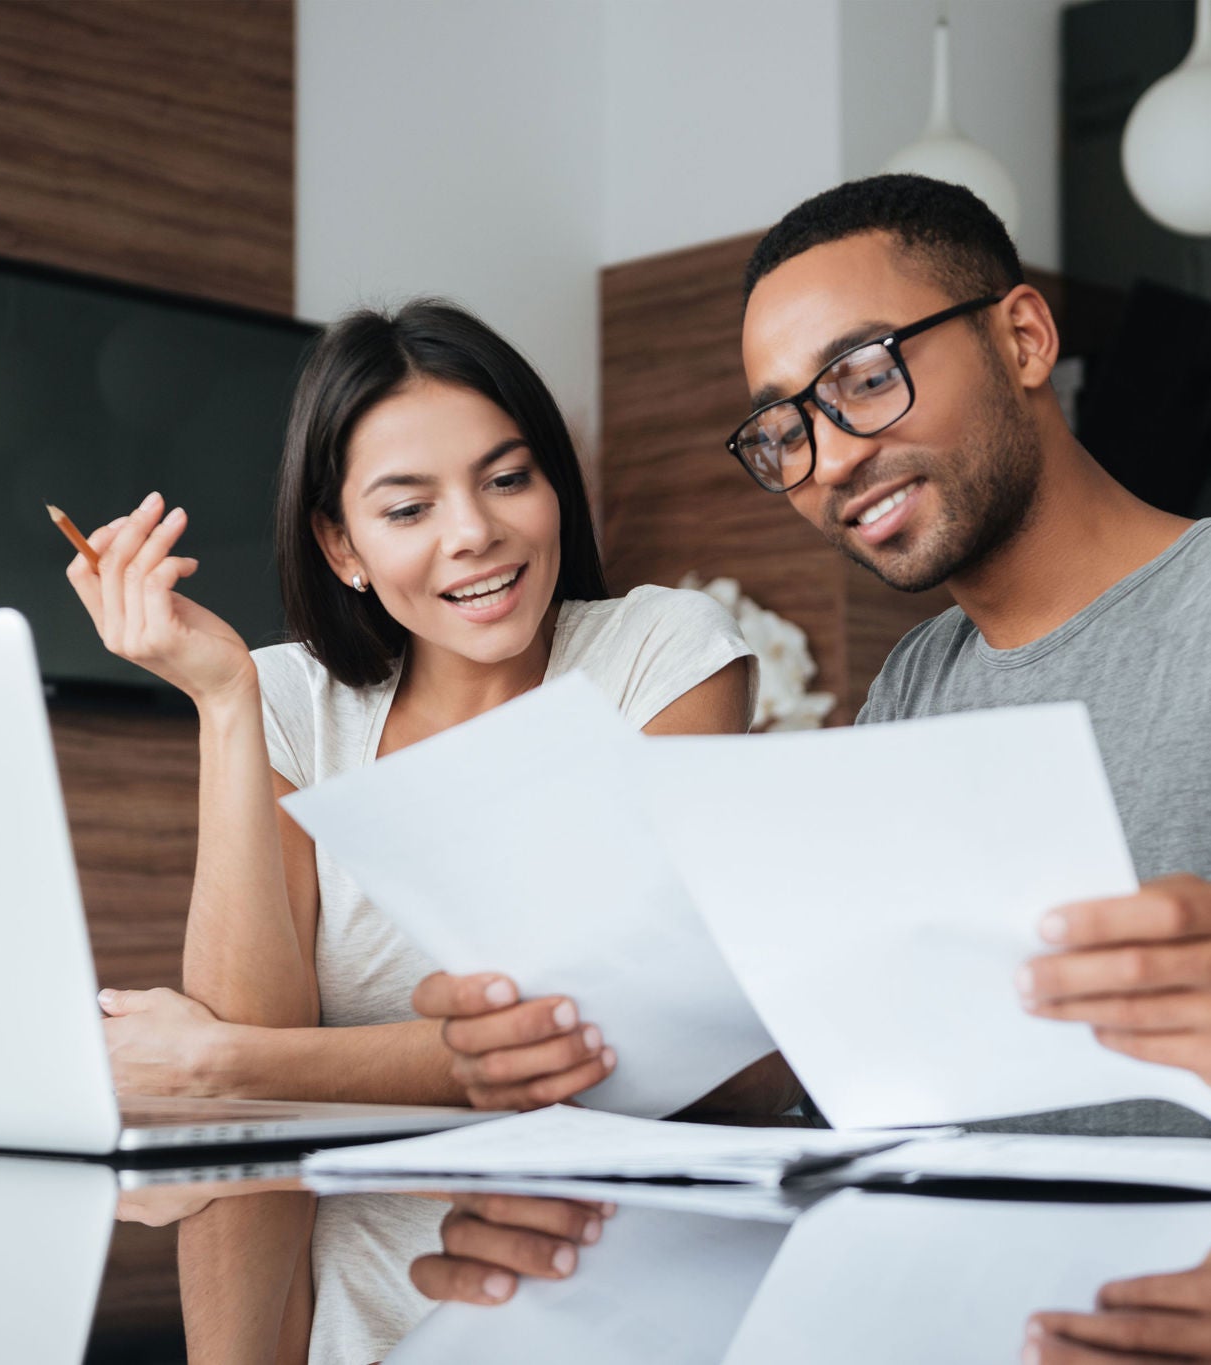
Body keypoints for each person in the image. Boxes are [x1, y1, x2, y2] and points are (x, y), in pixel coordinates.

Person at [415, 174, 1211, 1160]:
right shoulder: (913, 683)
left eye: (862, 377)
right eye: (783, 430)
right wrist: (587, 1048)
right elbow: (865, 1072)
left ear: (1022, 336)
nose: (828, 459)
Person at [62, 298, 768, 1364]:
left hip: (610, 1300)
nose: (473, 532)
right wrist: (220, 702)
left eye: (506, 477)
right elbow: (255, 1056)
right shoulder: (288, 699)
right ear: (340, 546)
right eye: (407, 508)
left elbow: (609, 1043)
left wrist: (216, 1063)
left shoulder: (660, 655)